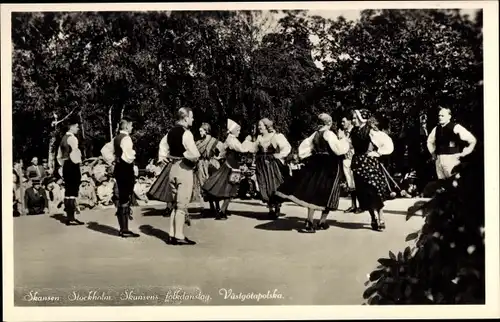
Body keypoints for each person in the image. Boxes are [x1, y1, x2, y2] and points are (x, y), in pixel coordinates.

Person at [275, 113, 349, 233]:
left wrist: (303, 156)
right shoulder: (329, 134)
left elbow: (303, 150)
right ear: (329, 123)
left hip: (316, 163)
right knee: (329, 191)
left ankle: (309, 220)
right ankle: (322, 221)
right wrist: (343, 139)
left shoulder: (315, 134)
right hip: (330, 165)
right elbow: (338, 150)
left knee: (313, 190)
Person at [158, 107, 200, 245]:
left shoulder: (169, 132)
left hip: (172, 169)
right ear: (186, 118)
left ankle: (171, 234)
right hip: (184, 168)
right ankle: (179, 235)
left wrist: (163, 157)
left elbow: (162, 146)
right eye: (191, 117)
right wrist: (188, 157)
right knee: (182, 205)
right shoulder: (186, 133)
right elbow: (194, 154)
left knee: (175, 204)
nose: (193, 120)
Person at [350, 109, 394, 231]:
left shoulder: (371, 131)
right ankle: (373, 218)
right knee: (363, 193)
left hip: (369, 163)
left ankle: (381, 218)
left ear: (361, 118)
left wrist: (378, 153)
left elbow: (387, 143)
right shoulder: (353, 131)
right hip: (357, 164)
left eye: (354, 118)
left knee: (374, 190)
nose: (352, 120)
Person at [101, 115, 140, 238]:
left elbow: (104, 151)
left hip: (119, 169)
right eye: (131, 125)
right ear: (127, 125)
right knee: (125, 197)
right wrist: (131, 157)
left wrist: (113, 161)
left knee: (122, 197)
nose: (132, 127)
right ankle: (125, 229)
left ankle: (123, 228)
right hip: (125, 169)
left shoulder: (116, 138)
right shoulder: (126, 138)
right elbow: (129, 156)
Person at [203, 119, 250, 220]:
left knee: (225, 187)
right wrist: (247, 140)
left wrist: (219, 157)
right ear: (232, 130)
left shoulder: (229, 139)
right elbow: (242, 149)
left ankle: (221, 209)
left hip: (227, 165)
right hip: (233, 167)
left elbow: (222, 152)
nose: (239, 132)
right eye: (237, 130)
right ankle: (222, 211)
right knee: (231, 188)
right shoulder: (233, 140)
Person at [244, 118, 291, 219]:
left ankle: (277, 207)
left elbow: (287, 147)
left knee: (274, 184)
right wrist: (247, 141)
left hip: (272, 164)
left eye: (261, 125)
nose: (259, 127)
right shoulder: (259, 138)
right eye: (258, 125)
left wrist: (279, 155)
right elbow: (253, 149)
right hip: (261, 165)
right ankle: (270, 209)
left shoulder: (275, 136)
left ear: (266, 126)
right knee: (263, 184)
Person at [426, 107, 477, 180]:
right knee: (442, 184)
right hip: (439, 161)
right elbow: (429, 142)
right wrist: (433, 153)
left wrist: (463, 153)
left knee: (454, 183)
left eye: (442, 115)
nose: (440, 117)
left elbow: (472, 140)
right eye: (439, 115)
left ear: (449, 116)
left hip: (451, 160)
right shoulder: (436, 129)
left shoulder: (456, 127)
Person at [56, 115, 84, 225]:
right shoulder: (72, 138)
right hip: (73, 165)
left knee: (68, 192)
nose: (78, 129)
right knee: (73, 191)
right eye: (77, 127)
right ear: (72, 127)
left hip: (66, 165)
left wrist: (64, 164)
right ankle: (72, 217)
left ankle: (69, 217)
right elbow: (76, 154)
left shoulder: (63, 138)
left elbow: (59, 156)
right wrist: (78, 164)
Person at [194, 122, 225, 216]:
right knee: (205, 185)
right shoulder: (199, 142)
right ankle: (212, 207)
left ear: (206, 131)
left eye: (201, 131)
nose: (200, 133)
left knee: (213, 185)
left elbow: (223, 150)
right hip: (202, 165)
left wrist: (218, 157)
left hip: (212, 164)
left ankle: (217, 207)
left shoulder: (214, 141)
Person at [338, 112, 363, 214]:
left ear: (349, 121)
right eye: (341, 121)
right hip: (346, 159)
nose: (342, 123)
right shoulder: (341, 132)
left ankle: (361, 205)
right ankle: (353, 205)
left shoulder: (355, 131)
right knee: (350, 182)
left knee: (358, 181)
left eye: (344, 121)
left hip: (355, 158)